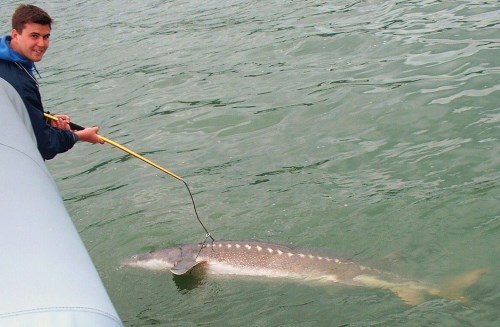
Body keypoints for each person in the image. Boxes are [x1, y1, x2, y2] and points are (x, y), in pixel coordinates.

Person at [0, 4, 103, 160]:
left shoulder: (9, 59)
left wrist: (47, 120)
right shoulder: (19, 82)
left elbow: (16, 109)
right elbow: (44, 146)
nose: (41, 44)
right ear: (15, 35)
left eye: (46, 36)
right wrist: (78, 136)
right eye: (34, 36)